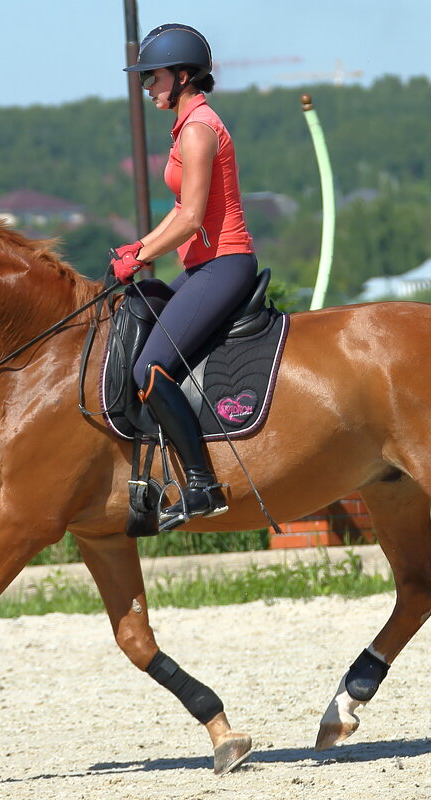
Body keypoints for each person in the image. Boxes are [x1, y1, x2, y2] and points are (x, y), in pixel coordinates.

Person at [111, 23, 258, 530]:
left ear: (183, 75)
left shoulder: (198, 129)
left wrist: (140, 256)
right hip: (203, 266)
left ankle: (201, 484)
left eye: (153, 77)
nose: (148, 87)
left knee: (150, 368)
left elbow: (194, 218)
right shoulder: (186, 126)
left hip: (224, 263)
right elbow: (177, 212)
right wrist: (139, 248)